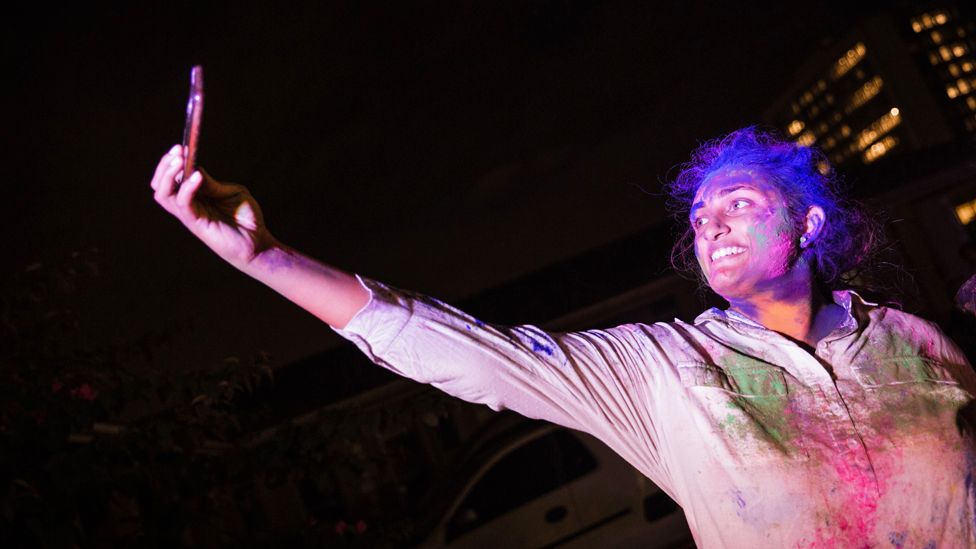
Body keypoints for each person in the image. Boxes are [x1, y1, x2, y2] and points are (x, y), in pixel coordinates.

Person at [151, 127, 976, 547]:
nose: (711, 226)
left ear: (808, 224)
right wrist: (266, 257)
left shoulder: (916, 344)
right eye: (699, 217)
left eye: (740, 205)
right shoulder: (668, 369)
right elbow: (478, 356)